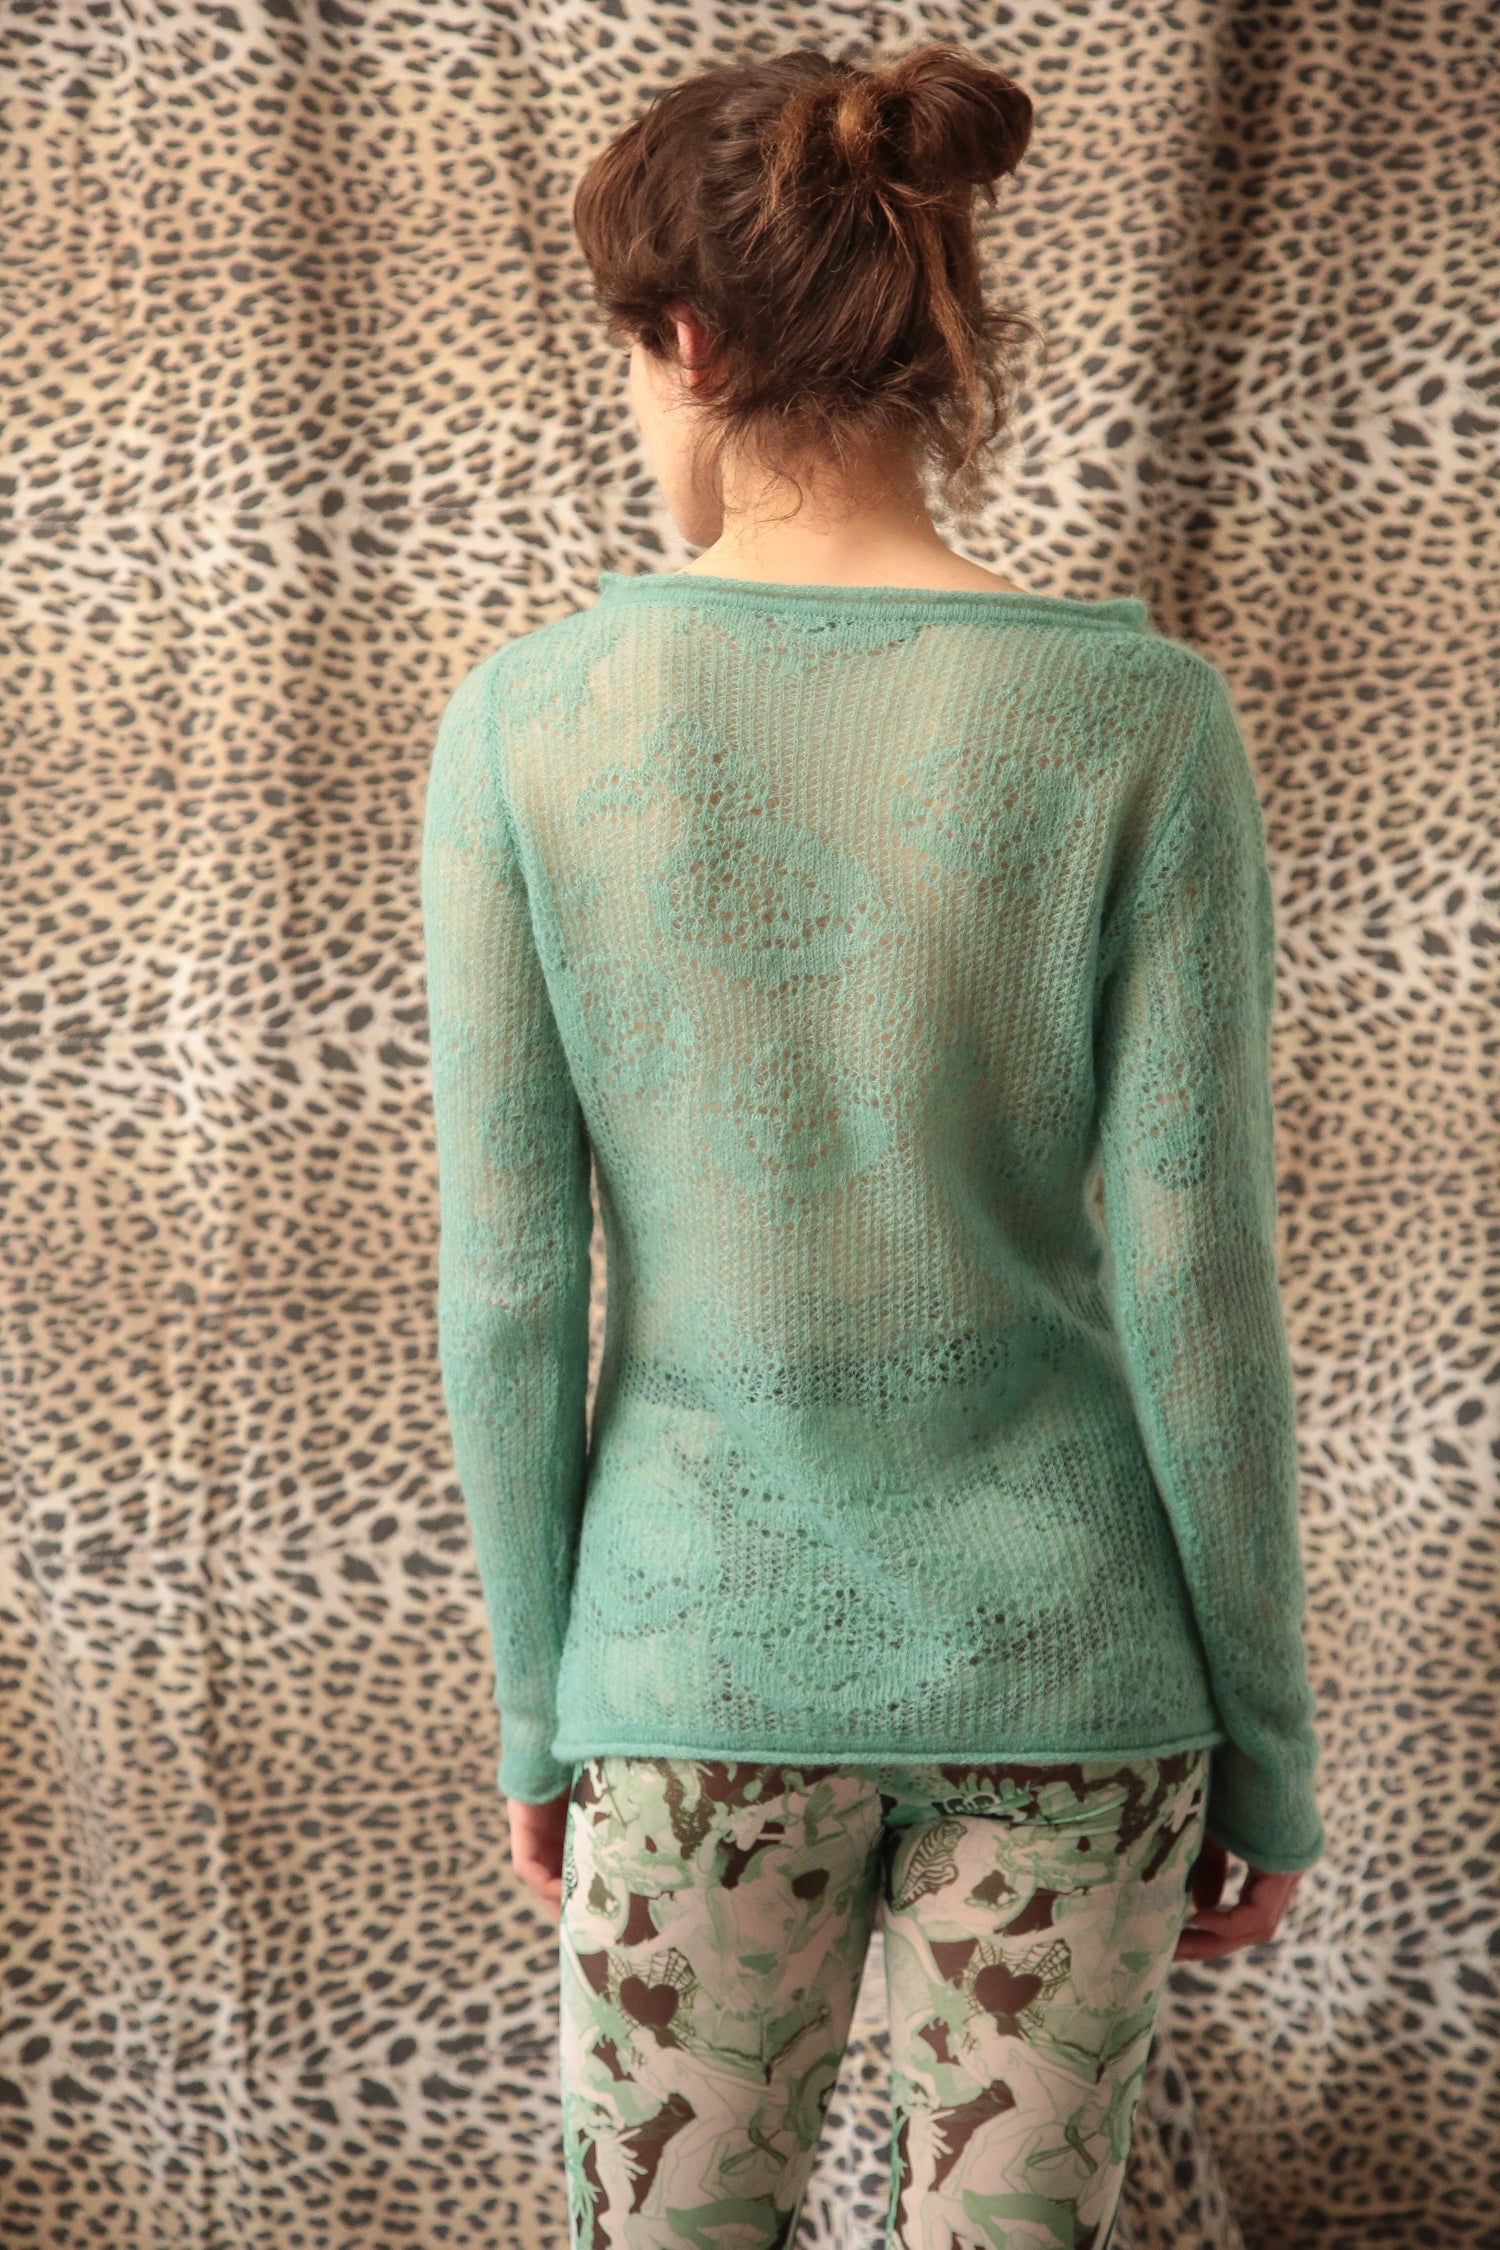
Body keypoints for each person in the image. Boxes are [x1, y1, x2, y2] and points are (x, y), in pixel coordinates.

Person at [420, 39, 1326, 2250]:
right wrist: (1267, 1750)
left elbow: (512, 1289)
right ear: (934, 325)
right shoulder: (1140, 715)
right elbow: (1199, 1278)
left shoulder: (529, 725)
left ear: (689, 340)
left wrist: (547, 1712)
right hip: (1076, 1680)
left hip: (688, 1668)